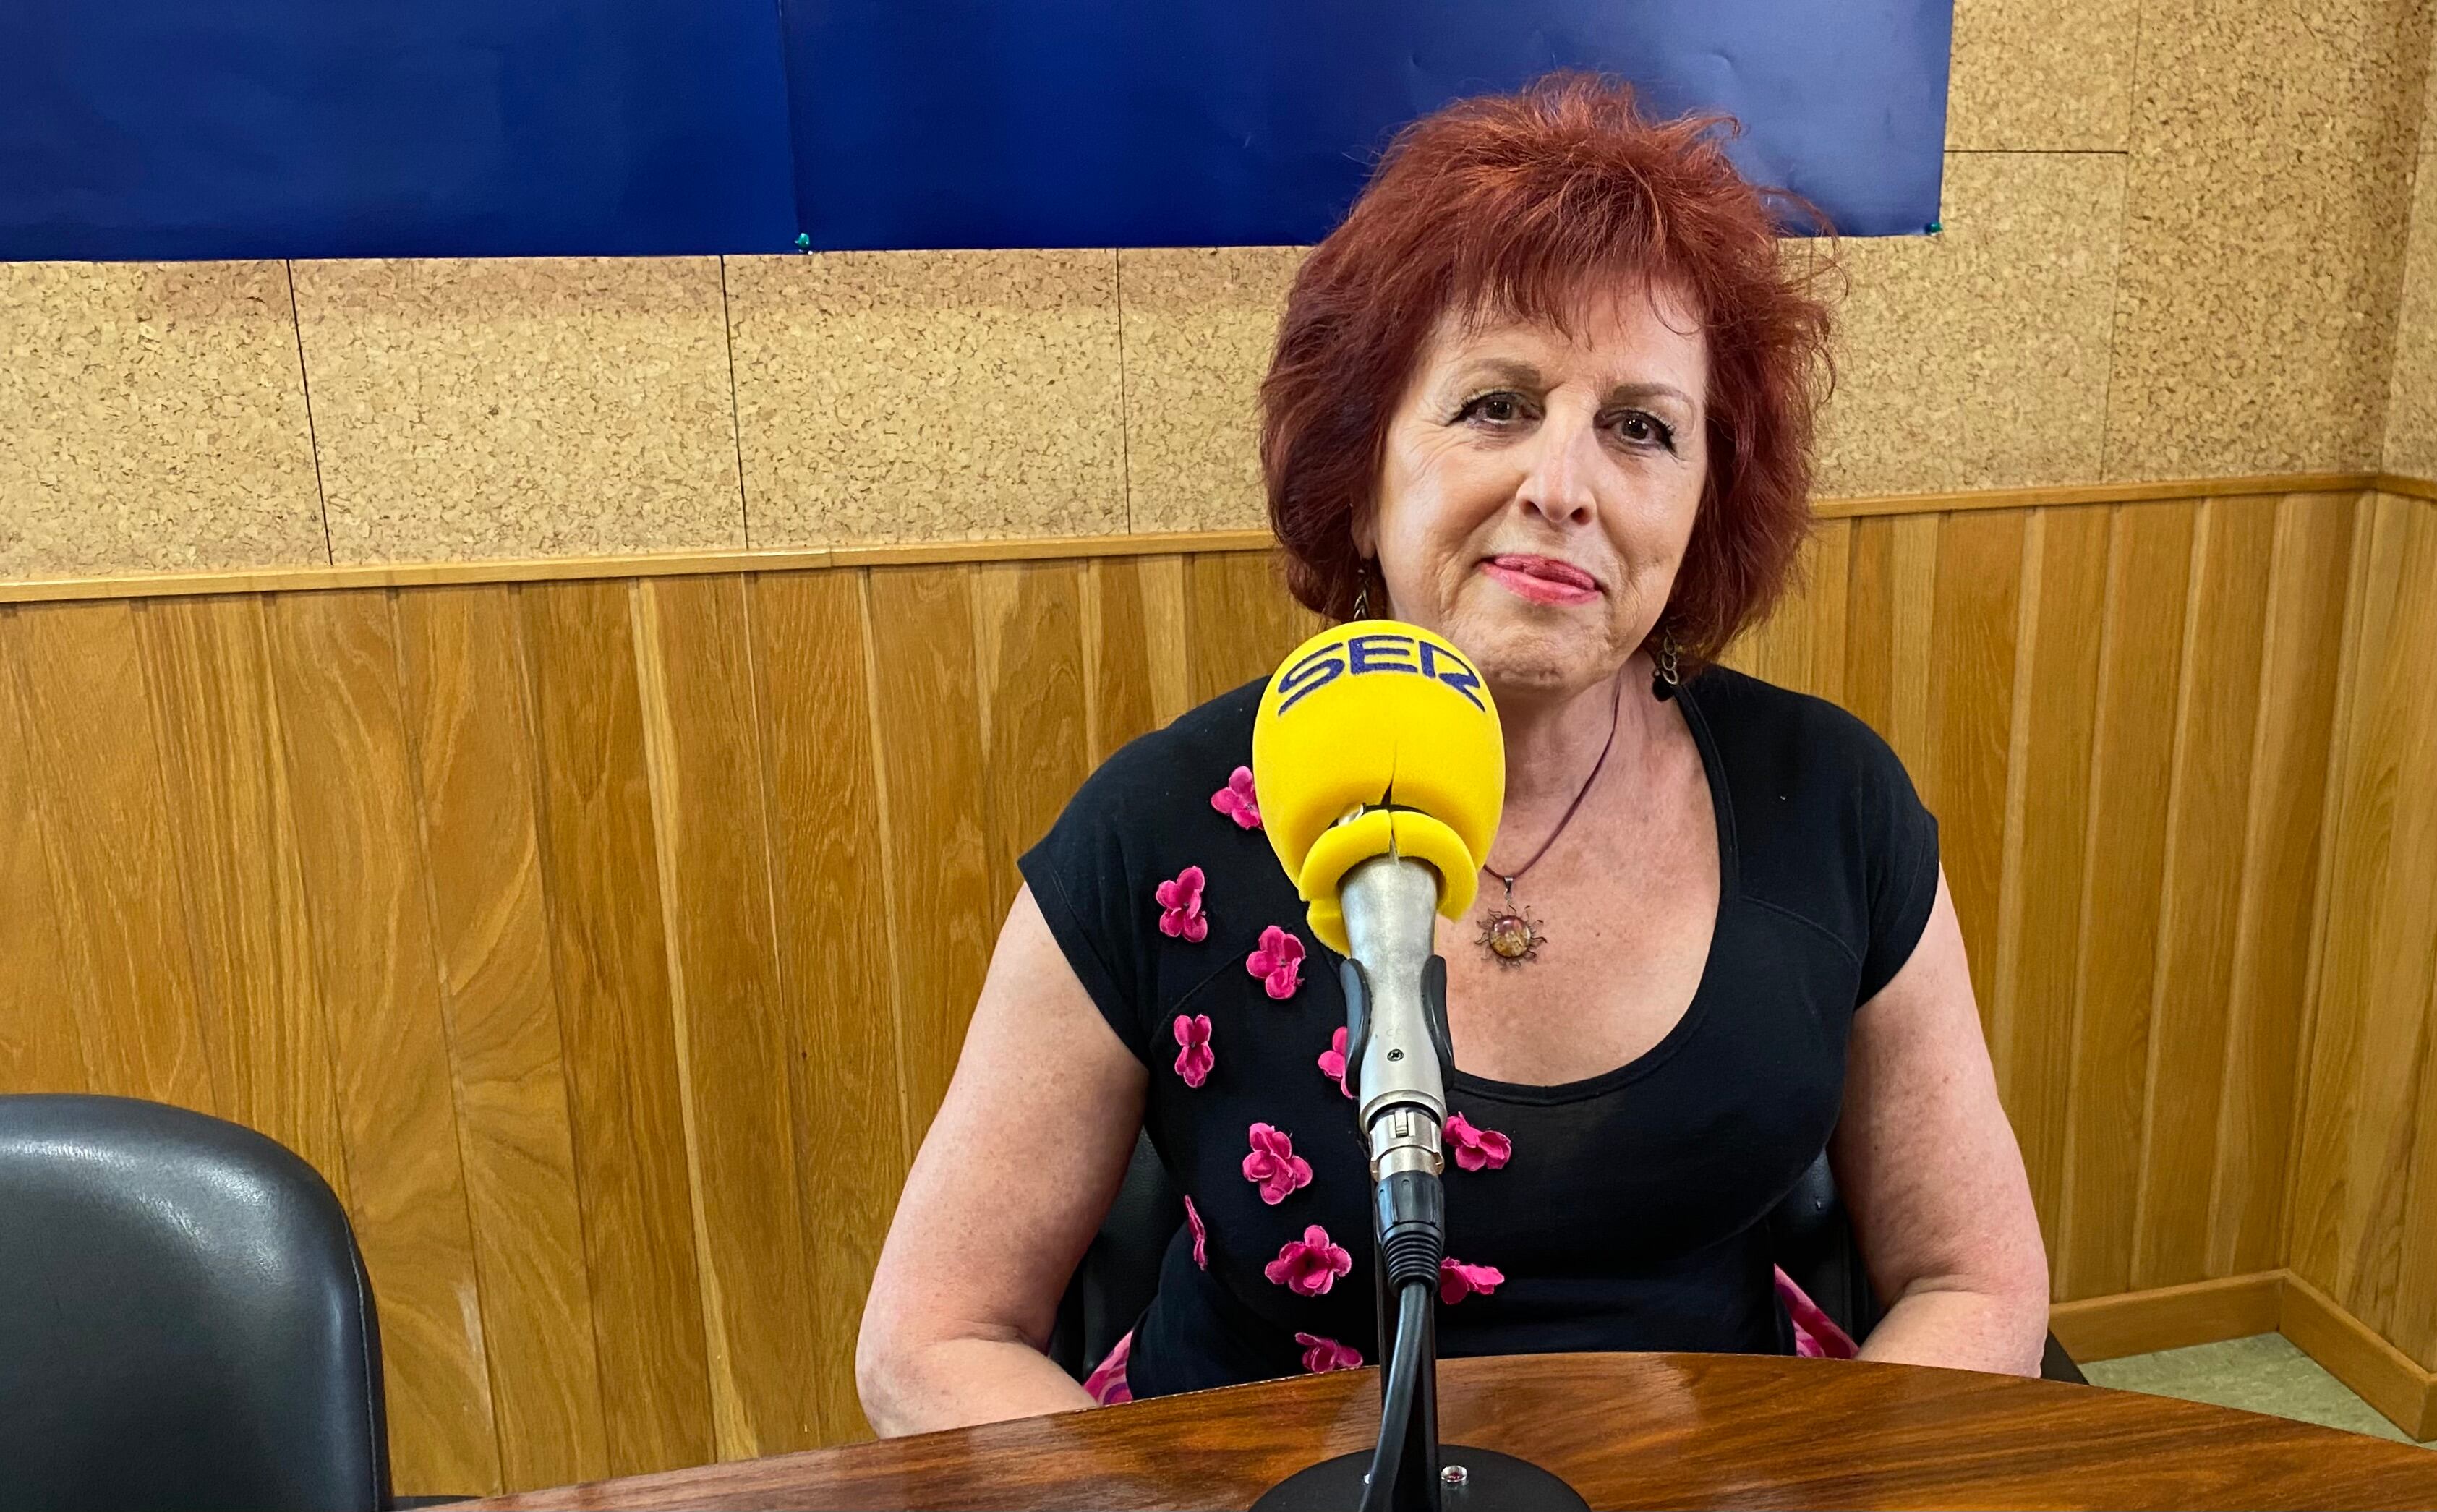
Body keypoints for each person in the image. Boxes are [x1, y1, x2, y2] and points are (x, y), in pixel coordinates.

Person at [856, 74, 2049, 1435]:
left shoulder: (1831, 803)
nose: (1563, 485)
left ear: (1704, 502)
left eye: (1640, 428)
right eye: (1496, 404)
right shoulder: (1158, 826)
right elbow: (930, 1339)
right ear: (1363, 470)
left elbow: (1976, 1280)